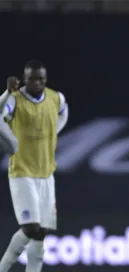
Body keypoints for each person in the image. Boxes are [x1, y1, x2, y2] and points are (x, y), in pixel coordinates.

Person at [0, 60, 69, 272]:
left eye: (41, 79)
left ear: (45, 79)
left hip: (46, 172)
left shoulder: (56, 98)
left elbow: (63, 113)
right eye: (32, 78)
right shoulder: (15, 99)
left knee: (41, 233)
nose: (36, 83)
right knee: (30, 228)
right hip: (22, 172)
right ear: (25, 78)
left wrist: (53, 131)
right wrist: (6, 93)